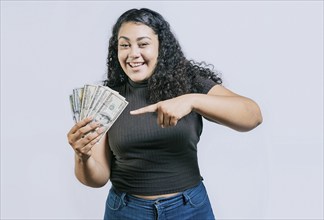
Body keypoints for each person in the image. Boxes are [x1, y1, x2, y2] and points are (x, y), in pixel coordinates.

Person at [67, 8, 263, 220]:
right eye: (125, 45)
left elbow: (252, 115)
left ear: (161, 47)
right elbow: (98, 178)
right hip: (127, 211)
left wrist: (192, 100)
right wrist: (82, 156)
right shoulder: (107, 98)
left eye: (143, 44)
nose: (133, 53)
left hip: (190, 209)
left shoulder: (189, 83)